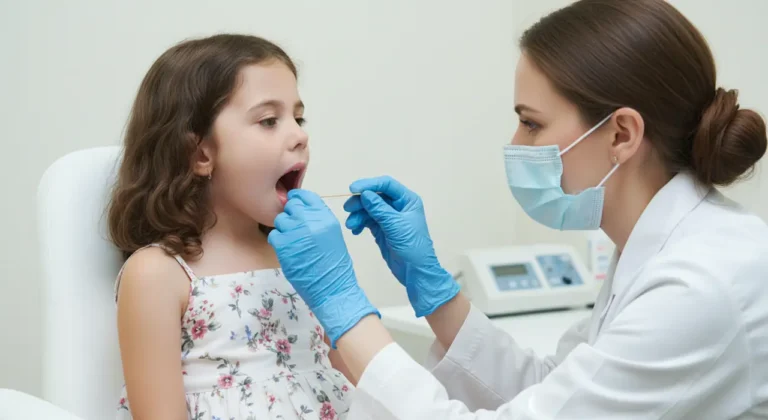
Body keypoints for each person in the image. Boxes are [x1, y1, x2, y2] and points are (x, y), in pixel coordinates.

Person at [268, 0, 768, 418]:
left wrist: (347, 310)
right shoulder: (657, 250)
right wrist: (437, 292)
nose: (515, 143)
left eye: (531, 124)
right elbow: (552, 390)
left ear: (621, 135)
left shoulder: (699, 284)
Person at [107, 34, 355, 420]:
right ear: (201, 153)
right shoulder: (158, 274)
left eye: (298, 117)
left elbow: (359, 376)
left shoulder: (298, 256)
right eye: (269, 120)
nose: (300, 135)